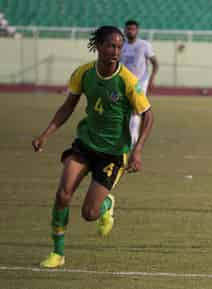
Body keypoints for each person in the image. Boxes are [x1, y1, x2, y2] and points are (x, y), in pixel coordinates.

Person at [32, 25, 154, 268]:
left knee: (89, 214)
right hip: (84, 144)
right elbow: (68, 107)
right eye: (111, 46)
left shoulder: (127, 81)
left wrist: (137, 150)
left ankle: (107, 204)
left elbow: (148, 115)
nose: (115, 51)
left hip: (112, 154)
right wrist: (46, 134)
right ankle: (58, 253)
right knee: (63, 195)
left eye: (119, 47)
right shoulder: (84, 73)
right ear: (98, 47)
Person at [120, 20, 158, 147]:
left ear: (137, 31)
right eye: (128, 29)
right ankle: (125, 137)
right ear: (124, 30)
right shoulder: (121, 45)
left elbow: (155, 63)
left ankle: (133, 141)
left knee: (136, 110)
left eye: (133, 29)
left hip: (140, 82)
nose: (130, 31)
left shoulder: (144, 45)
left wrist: (152, 78)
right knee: (124, 110)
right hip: (124, 81)